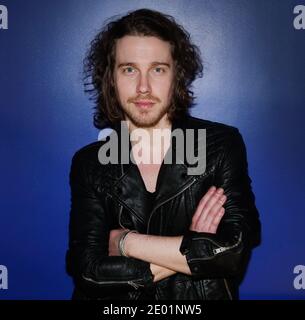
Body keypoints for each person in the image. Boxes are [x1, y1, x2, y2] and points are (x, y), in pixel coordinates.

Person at [66, 8, 261, 300]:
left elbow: (233, 250)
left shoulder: (218, 145)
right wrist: (193, 246)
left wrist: (126, 243)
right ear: (111, 79)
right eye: (129, 69)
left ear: (176, 77)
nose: (143, 87)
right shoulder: (91, 162)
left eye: (158, 69)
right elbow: (88, 270)